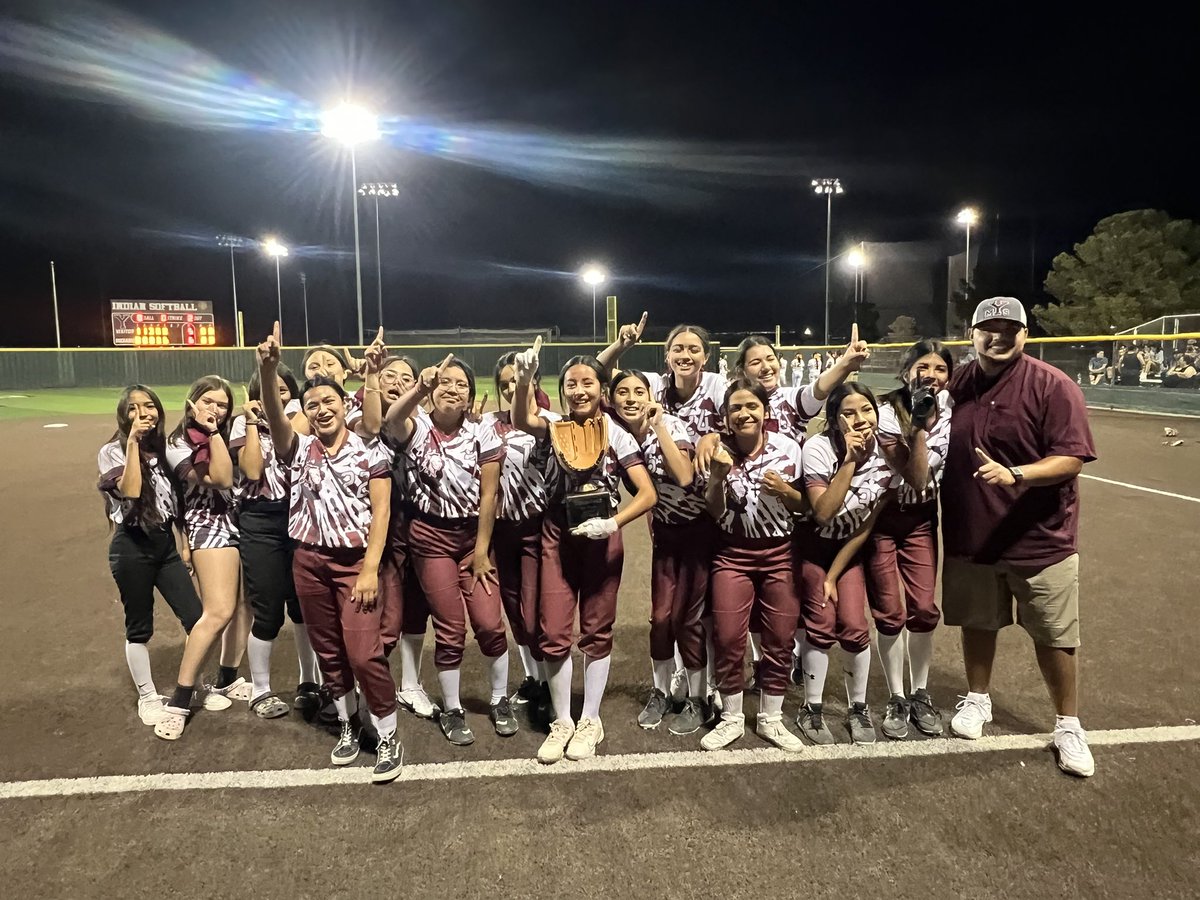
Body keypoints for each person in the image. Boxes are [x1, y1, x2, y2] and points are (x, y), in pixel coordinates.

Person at [942, 297, 1098, 778]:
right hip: (973, 533)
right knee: (978, 621)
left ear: (1025, 334)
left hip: (1039, 537)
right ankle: (978, 699)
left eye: (1010, 328)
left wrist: (1017, 473)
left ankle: (1068, 724)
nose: (999, 336)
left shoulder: (1053, 385)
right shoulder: (961, 381)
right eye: (988, 328)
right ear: (972, 334)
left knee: (1054, 635)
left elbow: (1071, 458)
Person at [257, 322, 403, 783]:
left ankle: (387, 731)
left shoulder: (369, 450)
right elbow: (279, 421)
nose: (321, 410)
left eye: (329, 402)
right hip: (309, 562)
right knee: (328, 651)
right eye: (312, 404)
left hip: (354, 564)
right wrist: (268, 370)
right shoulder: (298, 448)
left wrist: (370, 570)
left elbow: (381, 514)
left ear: (346, 405)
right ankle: (346, 721)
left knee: (363, 652)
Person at [512, 339, 658, 764]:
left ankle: (590, 718)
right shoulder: (554, 425)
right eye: (571, 383)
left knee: (597, 627)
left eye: (588, 382)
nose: (579, 390)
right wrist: (524, 377)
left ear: (602, 389)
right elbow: (522, 417)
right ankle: (562, 720)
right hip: (558, 532)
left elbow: (646, 493)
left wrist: (614, 522)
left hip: (601, 535)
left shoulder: (614, 431)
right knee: (553, 629)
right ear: (562, 391)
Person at [383, 353, 515, 746]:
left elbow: (490, 494)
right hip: (430, 539)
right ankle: (453, 708)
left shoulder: (482, 432)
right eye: (445, 383)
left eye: (461, 384)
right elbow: (390, 420)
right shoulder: (417, 426)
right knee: (451, 628)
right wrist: (420, 386)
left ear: (470, 395)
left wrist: (481, 550)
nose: (452, 389)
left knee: (491, 623)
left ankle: (499, 698)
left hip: (473, 538)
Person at [700, 379, 805, 752]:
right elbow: (714, 510)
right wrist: (716, 476)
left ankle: (770, 719)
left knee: (779, 638)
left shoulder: (789, 448)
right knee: (728, 636)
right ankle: (731, 717)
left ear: (765, 412)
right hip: (732, 553)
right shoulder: (716, 451)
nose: (743, 413)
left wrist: (787, 492)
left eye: (751, 406)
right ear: (726, 417)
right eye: (735, 408)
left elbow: (806, 505)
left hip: (780, 553)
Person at [608, 370, 710, 735]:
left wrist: (661, 426)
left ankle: (699, 698)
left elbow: (684, 475)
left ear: (652, 396)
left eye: (639, 391)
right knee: (661, 618)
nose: (631, 398)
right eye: (623, 392)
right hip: (667, 533)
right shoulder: (619, 435)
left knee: (687, 619)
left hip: (698, 533)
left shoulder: (672, 427)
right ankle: (661, 691)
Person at [98, 385, 203, 729]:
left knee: (197, 619)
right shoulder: (112, 451)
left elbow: (179, 504)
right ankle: (148, 696)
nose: (143, 412)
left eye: (149, 406)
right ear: (122, 415)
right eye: (133, 408)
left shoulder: (164, 450)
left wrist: (184, 544)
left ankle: (193, 683)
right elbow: (130, 490)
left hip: (165, 547)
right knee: (139, 627)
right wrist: (131, 443)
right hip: (131, 547)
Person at [798, 383, 897, 745]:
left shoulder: (887, 455)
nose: (860, 419)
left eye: (866, 410)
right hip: (811, 548)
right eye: (849, 413)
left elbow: (866, 524)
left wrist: (836, 574)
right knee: (822, 625)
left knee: (855, 627)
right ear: (835, 418)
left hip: (846, 552)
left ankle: (858, 707)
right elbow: (823, 514)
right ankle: (812, 708)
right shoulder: (819, 448)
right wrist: (851, 461)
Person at [868, 340, 953, 739]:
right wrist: (918, 426)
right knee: (890, 611)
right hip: (885, 517)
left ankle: (920, 693)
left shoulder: (953, 410)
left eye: (939, 368)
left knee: (923, 609)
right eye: (923, 366)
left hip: (921, 519)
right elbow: (916, 476)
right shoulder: (886, 413)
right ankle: (897, 696)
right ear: (906, 372)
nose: (931, 375)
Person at [231, 364, 323, 720]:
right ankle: (261, 689)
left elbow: (295, 433)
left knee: (302, 606)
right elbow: (252, 470)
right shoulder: (243, 424)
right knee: (268, 609)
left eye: (285, 390)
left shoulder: (303, 416)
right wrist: (253, 422)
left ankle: (308, 681)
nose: (279, 395)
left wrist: (277, 410)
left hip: (300, 515)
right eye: (272, 389)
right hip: (261, 519)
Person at [155, 376, 243, 740]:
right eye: (208, 401)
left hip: (240, 522)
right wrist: (216, 433)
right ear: (192, 402)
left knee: (241, 606)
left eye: (222, 405)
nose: (215, 410)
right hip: (210, 526)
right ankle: (180, 699)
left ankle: (227, 677)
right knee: (218, 611)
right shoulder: (178, 443)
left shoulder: (218, 434)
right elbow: (221, 477)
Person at [480, 352, 559, 725]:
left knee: (533, 616)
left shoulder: (549, 423)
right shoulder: (488, 424)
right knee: (514, 612)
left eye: (520, 380)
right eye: (506, 382)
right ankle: (533, 679)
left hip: (536, 528)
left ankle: (546, 684)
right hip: (502, 532)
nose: (513, 386)